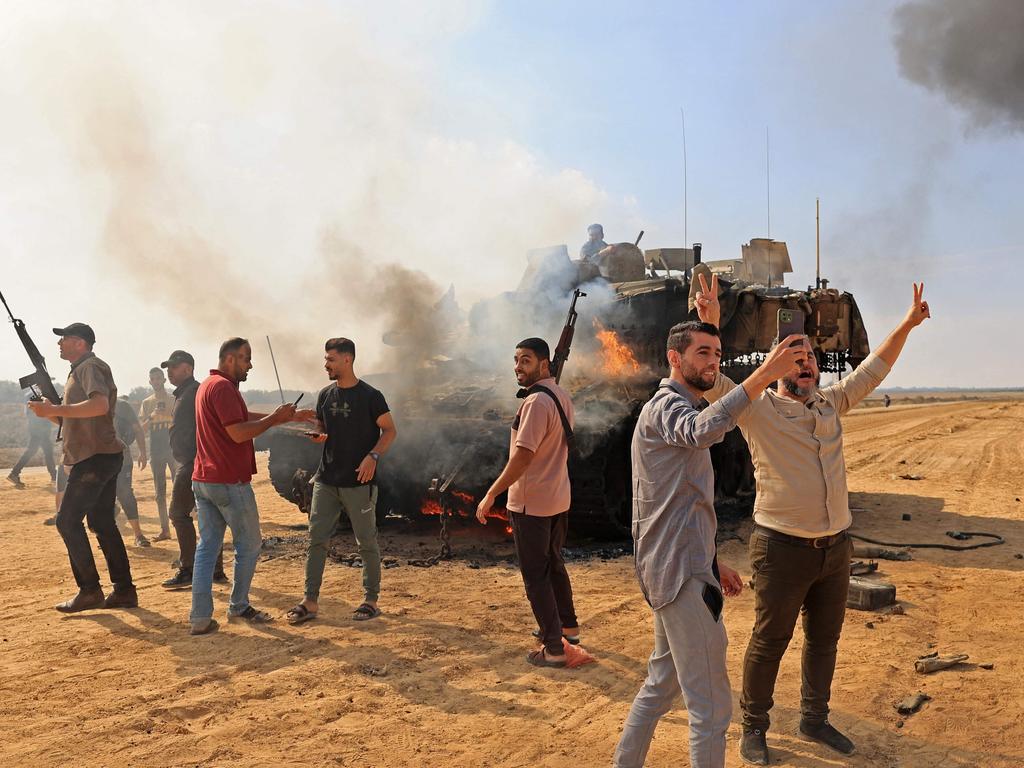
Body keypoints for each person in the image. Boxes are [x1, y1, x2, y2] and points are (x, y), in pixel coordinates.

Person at [697, 283, 931, 763]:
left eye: (809, 357)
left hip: (835, 548)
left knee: (824, 641)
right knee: (769, 641)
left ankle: (815, 719)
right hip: (781, 549)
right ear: (776, 367)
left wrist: (906, 325)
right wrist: (712, 322)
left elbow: (875, 368)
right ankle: (755, 727)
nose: (805, 363)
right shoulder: (757, 410)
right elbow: (716, 381)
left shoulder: (831, 403)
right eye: (792, 356)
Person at [613, 310, 805, 768]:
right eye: (703, 353)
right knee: (713, 708)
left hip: (680, 566)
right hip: (680, 576)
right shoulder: (666, 409)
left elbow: (678, 504)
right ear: (673, 358)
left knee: (661, 685)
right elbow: (701, 432)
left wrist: (712, 560)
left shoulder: (677, 406)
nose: (713, 362)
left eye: (718, 354)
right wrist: (763, 376)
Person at [188, 337, 314, 636]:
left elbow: (240, 418)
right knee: (250, 544)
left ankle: (200, 617)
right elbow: (238, 433)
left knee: (207, 547)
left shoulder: (208, 385)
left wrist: (288, 418)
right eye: (246, 358)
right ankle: (239, 606)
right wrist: (275, 418)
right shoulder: (224, 388)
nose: (250, 365)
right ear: (230, 359)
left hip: (204, 480)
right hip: (229, 481)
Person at [476, 337, 577, 668]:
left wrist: (492, 493)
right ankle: (568, 628)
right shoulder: (560, 396)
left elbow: (522, 457)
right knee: (554, 563)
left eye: (526, 360)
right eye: (516, 360)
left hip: (532, 502)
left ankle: (554, 648)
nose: (518, 367)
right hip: (557, 497)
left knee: (536, 576)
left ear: (544, 364)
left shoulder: (536, 402)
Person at [286, 338, 396, 626]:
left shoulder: (371, 396)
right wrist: (319, 435)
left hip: (358, 481)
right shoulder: (324, 395)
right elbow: (323, 427)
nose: (326, 365)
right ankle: (310, 601)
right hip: (326, 478)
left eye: (330, 359)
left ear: (347, 360)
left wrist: (373, 456)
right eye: (326, 359)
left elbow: (389, 431)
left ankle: (371, 600)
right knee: (316, 540)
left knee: (366, 542)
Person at [28, 323, 138, 612]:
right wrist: (50, 412)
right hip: (99, 455)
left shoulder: (89, 367)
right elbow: (73, 420)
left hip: (95, 457)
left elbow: (99, 406)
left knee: (67, 521)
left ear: (79, 342)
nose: (59, 344)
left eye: (64, 339)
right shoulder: (78, 372)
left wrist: (55, 409)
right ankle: (124, 591)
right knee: (101, 523)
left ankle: (90, 591)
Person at [161, 350, 227, 590]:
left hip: (194, 461)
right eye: (168, 367)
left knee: (178, 513)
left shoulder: (195, 392)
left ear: (188, 369)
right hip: (191, 461)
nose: (170, 371)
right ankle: (215, 570)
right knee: (208, 517)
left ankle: (188, 568)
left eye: (174, 367)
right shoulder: (183, 394)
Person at [140, 366, 177, 541]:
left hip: (174, 448)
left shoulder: (174, 399)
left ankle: (184, 527)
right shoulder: (147, 403)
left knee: (180, 488)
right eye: (152, 378)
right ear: (150, 381)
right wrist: (153, 415)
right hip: (156, 451)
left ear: (164, 380)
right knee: (159, 493)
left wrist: (168, 417)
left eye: (158, 378)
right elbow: (142, 429)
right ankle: (165, 530)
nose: (156, 381)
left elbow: (180, 423)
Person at [112, 396, 151, 547]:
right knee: (105, 497)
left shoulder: (122, 406)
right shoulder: (91, 405)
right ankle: (109, 536)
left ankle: (138, 535)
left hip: (123, 458)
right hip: (99, 461)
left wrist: (143, 452)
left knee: (125, 494)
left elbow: (137, 429)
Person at [8, 396, 57, 488]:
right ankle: (54, 477)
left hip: (36, 429)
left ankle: (14, 473)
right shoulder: (39, 395)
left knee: (35, 451)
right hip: (40, 430)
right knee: (47, 452)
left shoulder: (30, 394)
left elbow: (29, 413)